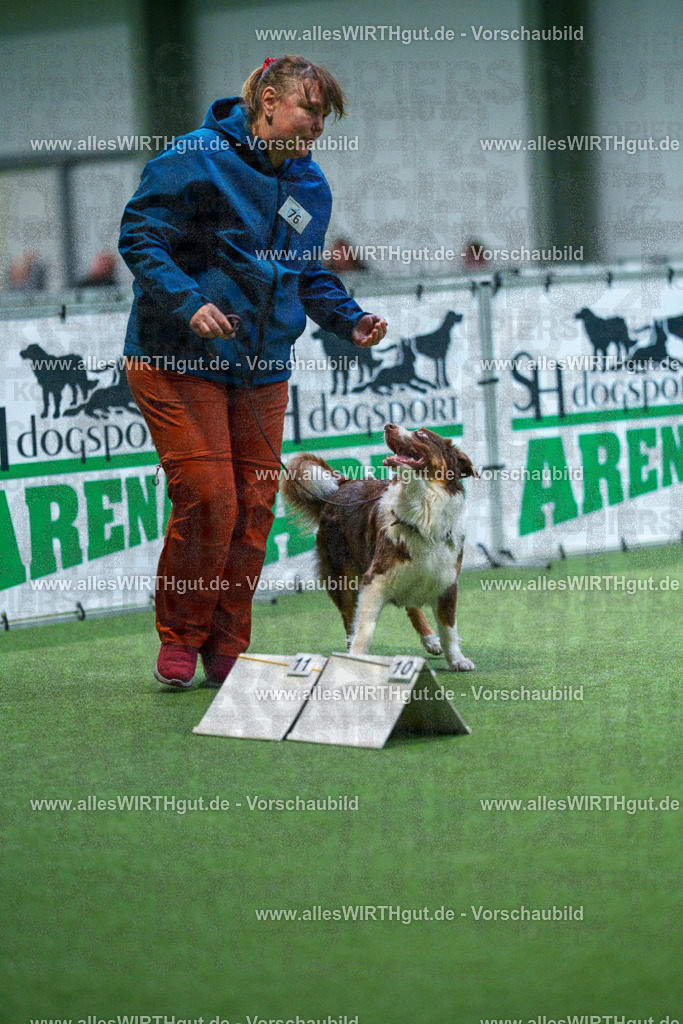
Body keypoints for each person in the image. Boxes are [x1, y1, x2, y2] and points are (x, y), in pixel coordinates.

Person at [119, 54, 387, 689]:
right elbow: (139, 237)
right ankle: (181, 636)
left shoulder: (309, 185)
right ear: (268, 101)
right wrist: (189, 302)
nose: (317, 126)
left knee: (256, 504)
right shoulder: (195, 157)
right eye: (309, 109)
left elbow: (305, 272)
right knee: (210, 497)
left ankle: (226, 641)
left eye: (325, 117)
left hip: (262, 368)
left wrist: (349, 318)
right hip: (178, 357)